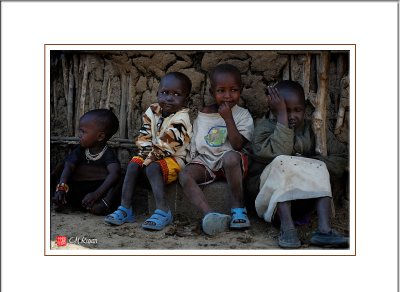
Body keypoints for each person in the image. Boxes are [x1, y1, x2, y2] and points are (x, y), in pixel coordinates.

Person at [245, 80, 349, 248]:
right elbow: (280, 151)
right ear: (274, 110)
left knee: (319, 165)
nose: (292, 115)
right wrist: (282, 120)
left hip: (303, 202)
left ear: (305, 109)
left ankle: (324, 230)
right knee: (282, 161)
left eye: (297, 110)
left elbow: (342, 157)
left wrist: (312, 164)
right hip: (270, 201)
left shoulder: (313, 129)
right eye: (285, 111)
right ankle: (288, 229)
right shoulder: (263, 129)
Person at [104, 72, 193, 230]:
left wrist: (147, 160)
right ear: (157, 93)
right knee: (133, 164)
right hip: (152, 156)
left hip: (175, 160)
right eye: (165, 93)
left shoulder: (182, 119)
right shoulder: (152, 111)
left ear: (185, 100)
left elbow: (167, 145)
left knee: (152, 166)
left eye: (176, 94)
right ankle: (125, 209)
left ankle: (163, 211)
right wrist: (144, 157)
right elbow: (144, 136)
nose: (169, 98)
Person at [179, 64, 254, 235]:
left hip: (230, 163)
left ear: (241, 90)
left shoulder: (242, 115)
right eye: (221, 91)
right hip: (206, 161)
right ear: (212, 92)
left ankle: (238, 209)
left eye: (233, 90)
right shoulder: (203, 115)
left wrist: (228, 118)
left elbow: (237, 145)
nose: (228, 96)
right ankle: (209, 214)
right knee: (184, 175)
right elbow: (196, 143)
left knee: (230, 157)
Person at [53, 109, 121, 215]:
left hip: (96, 192)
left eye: (83, 131)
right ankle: (61, 199)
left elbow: (114, 173)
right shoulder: (80, 150)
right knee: (61, 168)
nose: (79, 135)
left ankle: (103, 205)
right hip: (78, 190)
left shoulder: (107, 153)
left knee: (120, 177)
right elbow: (69, 167)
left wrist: (96, 194)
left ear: (100, 136)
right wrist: (61, 188)